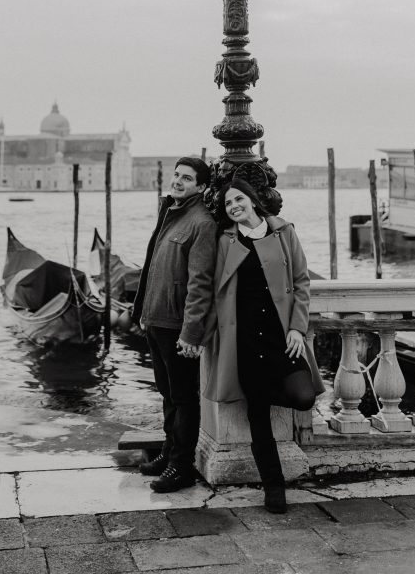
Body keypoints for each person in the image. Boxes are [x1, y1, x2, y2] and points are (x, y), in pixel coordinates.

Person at [203, 175, 324, 514]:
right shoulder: (225, 240)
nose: (234, 206)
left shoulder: (283, 232)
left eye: (239, 199)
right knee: (257, 416)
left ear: (253, 200)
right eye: (228, 204)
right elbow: (208, 285)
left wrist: (297, 329)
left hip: (281, 336)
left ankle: (261, 388)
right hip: (243, 340)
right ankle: (274, 487)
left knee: (304, 397)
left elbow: (301, 282)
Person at [132, 157, 217, 493]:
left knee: (183, 398)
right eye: (177, 175)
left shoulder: (202, 223)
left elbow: (200, 285)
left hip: (176, 326)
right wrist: (140, 311)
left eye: (187, 178)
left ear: (202, 187)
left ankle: (181, 466)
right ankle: (169, 454)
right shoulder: (170, 214)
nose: (178, 181)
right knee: (167, 394)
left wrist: (190, 332)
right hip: (155, 320)